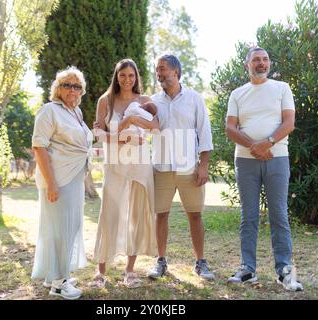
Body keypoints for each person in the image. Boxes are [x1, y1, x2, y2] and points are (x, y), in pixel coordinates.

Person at [225, 47, 303, 291]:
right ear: (247, 64)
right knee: (248, 216)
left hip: (277, 157)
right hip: (245, 161)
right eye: (256, 59)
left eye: (265, 59)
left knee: (279, 214)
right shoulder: (238, 94)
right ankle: (247, 269)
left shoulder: (282, 88)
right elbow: (230, 128)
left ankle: (284, 271)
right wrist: (254, 146)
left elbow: (289, 122)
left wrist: (267, 143)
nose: (262, 63)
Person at [92, 58, 159, 288]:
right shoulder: (105, 100)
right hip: (114, 163)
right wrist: (124, 132)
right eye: (123, 75)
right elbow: (98, 135)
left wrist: (133, 119)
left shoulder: (144, 100)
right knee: (110, 212)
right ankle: (100, 270)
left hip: (139, 163)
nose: (127, 80)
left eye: (131, 76)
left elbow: (156, 126)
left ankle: (130, 270)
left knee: (136, 215)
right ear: (116, 77)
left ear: (136, 77)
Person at [148, 54, 215, 281]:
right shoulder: (152, 101)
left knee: (195, 215)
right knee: (161, 215)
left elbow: (204, 133)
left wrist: (203, 165)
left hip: (189, 169)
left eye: (163, 69)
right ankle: (161, 261)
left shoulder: (194, 99)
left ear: (176, 71)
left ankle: (201, 262)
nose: (159, 73)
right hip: (161, 167)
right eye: (157, 70)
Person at [31, 66, 93, 299]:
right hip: (58, 179)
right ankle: (59, 283)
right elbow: (39, 147)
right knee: (60, 229)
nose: (73, 90)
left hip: (75, 179)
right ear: (58, 89)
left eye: (77, 86)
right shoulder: (50, 111)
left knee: (69, 227)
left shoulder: (76, 113)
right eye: (67, 85)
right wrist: (52, 184)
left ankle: (55, 275)